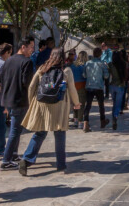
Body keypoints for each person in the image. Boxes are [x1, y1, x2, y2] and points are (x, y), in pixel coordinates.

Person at [18, 48, 81, 176]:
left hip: (42, 105)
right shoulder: (66, 71)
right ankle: (61, 164)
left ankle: (26, 160)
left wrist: (32, 103)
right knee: (60, 134)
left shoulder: (42, 68)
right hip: (59, 106)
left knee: (40, 133)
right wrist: (77, 103)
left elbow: (31, 87)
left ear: (51, 56)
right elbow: (72, 89)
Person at [0, 37, 35, 171]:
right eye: (31, 47)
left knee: (17, 129)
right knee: (15, 130)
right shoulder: (27, 62)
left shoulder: (8, 60)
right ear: (23, 47)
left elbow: (1, 78)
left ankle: (13, 154)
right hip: (19, 99)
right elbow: (27, 83)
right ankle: (6, 160)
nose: (32, 50)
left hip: (7, 98)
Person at [82, 47, 110, 131]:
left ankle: (85, 123)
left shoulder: (87, 63)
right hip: (99, 87)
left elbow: (84, 75)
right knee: (101, 105)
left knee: (88, 105)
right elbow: (106, 76)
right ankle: (102, 121)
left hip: (89, 86)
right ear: (100, 54)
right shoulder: (102, 64)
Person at [108, 50, 129, 130]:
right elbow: (126, 75)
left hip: (112, 85)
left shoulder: (110, 64)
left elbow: (108, 74)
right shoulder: (124, 64)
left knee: (114, 103)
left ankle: (114, 116)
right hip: (120, 85)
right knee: (118, 103)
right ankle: (115, 116)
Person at [70, 51, 88, 128]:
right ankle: (80, 122)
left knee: (75, 103)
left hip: (73, 86)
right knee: (81, 104)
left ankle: (75, 120)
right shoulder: (85, 65)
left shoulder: (72, 65)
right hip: (82, 85)